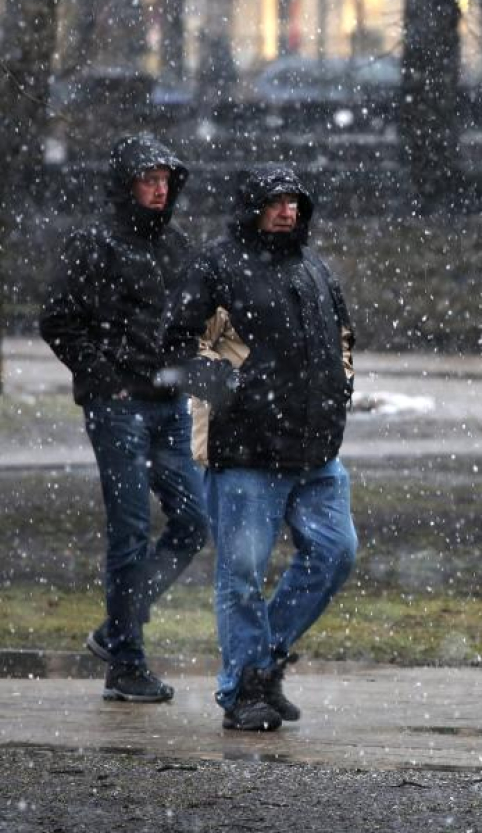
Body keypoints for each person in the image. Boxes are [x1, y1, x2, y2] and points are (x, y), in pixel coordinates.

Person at [162, 166, 356, 731]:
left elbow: (344, 336)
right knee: (241, 573)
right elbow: (177, 344)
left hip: (317, 451)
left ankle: (259, 666)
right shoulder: (216, 266)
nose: (287, 212)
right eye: (276, 202)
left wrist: (341, 383)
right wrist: (236, 392)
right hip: (245, 452)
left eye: (294, 202)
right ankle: (242, 689)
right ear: (252, 206)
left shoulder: (315, 267)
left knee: (336, 553)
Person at [39, 134, 209, 703]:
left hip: (165, 404)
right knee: (130, 530)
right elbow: (59, 319)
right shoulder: (94, 245)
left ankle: (118, 630)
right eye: (148, 179)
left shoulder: (178, 247)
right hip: (118, 408)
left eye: (165, 179)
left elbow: (190, 323)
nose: (159, 189)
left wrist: (189, 374)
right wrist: (104, 378)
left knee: (192, 521)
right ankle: (127, 661)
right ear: (126, 183)